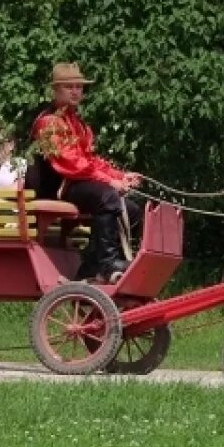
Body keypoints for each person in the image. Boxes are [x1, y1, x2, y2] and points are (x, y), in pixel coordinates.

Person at [30, 62, 141, 283]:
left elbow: (90, 161)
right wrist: (110, 182)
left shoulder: (78, 123)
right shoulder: (48, 122)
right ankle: (107, 265)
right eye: (69, 86)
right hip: (56, 189)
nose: (75, 91)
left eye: (79, 87)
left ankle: (91, 266)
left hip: (75, 184)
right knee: (107, 197)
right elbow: (71, 164)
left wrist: (119, 176)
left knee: (132, 209)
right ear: (56, 90)